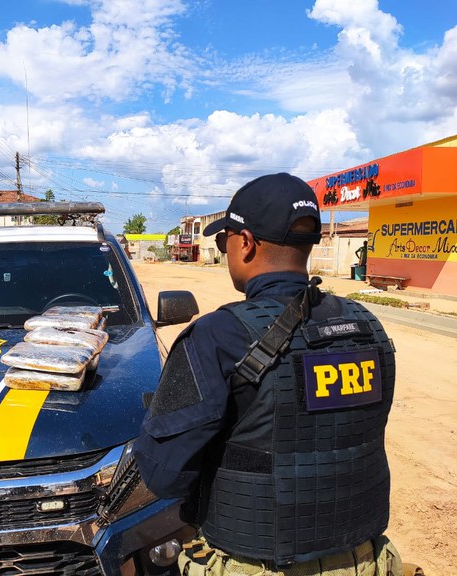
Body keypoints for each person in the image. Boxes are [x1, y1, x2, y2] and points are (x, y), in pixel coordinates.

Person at [134, 173, 402, 576]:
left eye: (223, 242)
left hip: (255, 561)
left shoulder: (216, 336)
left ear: (245, 242)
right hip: (365, 559)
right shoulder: (367, 325)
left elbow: (163, 473)